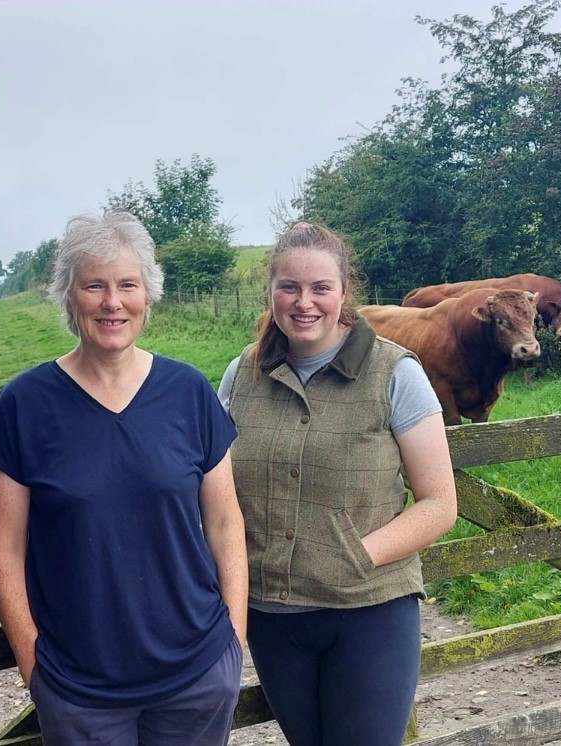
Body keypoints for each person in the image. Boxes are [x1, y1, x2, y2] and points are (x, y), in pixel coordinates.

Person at [0, 212, 248, 745]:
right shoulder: (24, 406)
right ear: (68, 296)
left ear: (148, 294)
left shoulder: (188, 392)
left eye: (128, 285)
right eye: (94, 286)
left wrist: (233, 643)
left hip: (195, 673)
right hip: (80, 687)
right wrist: (35, 667)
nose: (113, 302)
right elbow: (4, 547)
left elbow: (225, 522)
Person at [219, 222, 458, 746]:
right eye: (290, 287)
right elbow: (212, 495)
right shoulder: (240, 376)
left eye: (320, 288)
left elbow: (440, 504)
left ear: (345, 292)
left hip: (368, 615)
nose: (305, 303)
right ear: (271, 292)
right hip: (272, 618)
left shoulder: (394, 374)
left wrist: (355, 554)